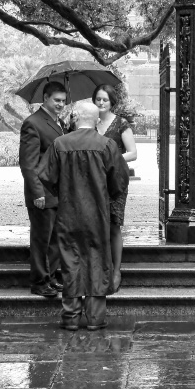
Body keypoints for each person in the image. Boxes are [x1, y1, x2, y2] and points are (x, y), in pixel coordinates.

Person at [38, 101, 130, 331]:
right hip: (97, 215)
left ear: (74, 118)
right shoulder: (107, 144)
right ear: (97, 120)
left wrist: (62, 192)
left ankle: (70, 317)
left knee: (70, 262)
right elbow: (120, 181)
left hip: (68, 214)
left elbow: (46, 177)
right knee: (97, 262)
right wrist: (106, 196)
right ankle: (95, 319)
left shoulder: (59, 144)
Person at [19, 81, 66, 297]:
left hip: (57, 192)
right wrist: (37, 193)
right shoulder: (33, 123)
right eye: (57, 100)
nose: (61, 105)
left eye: (64, 101)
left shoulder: (59, 123)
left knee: (55, 238)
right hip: (42, 193)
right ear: (45, 98)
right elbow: (28, 164)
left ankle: (50, 276)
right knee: (41, 238)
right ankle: (39, 281)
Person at [92, 84, 137, 291]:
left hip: (115, 180)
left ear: (112, 103)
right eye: (98, 99)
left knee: (113, 224)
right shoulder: (89, 122)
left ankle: (116, 270)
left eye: (105, 100)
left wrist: (110, 158)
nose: (101, 103)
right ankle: (99, 268)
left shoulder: (121, 123)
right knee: (95, 224)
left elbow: (133, 153)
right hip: (92, 180)